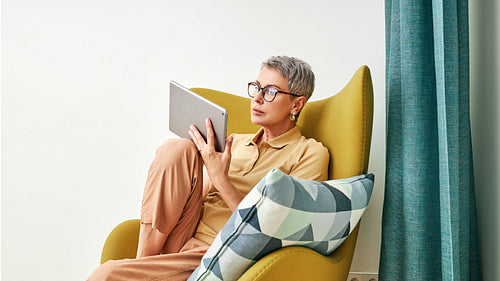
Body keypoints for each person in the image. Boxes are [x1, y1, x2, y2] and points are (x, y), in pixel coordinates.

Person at [87, 56, 330, 281]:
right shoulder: (235, 141)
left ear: (296, 104)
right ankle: (146, 260)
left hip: (223, 251)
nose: (256, 98)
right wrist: (199, 166)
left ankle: (145, 269)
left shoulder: (309, 154)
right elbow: (199, 199)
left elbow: (279, 231)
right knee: (178, 147)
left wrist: (220, 178)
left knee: (106, 275)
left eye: (270, 92)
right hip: (183, 237)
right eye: (256, 87)